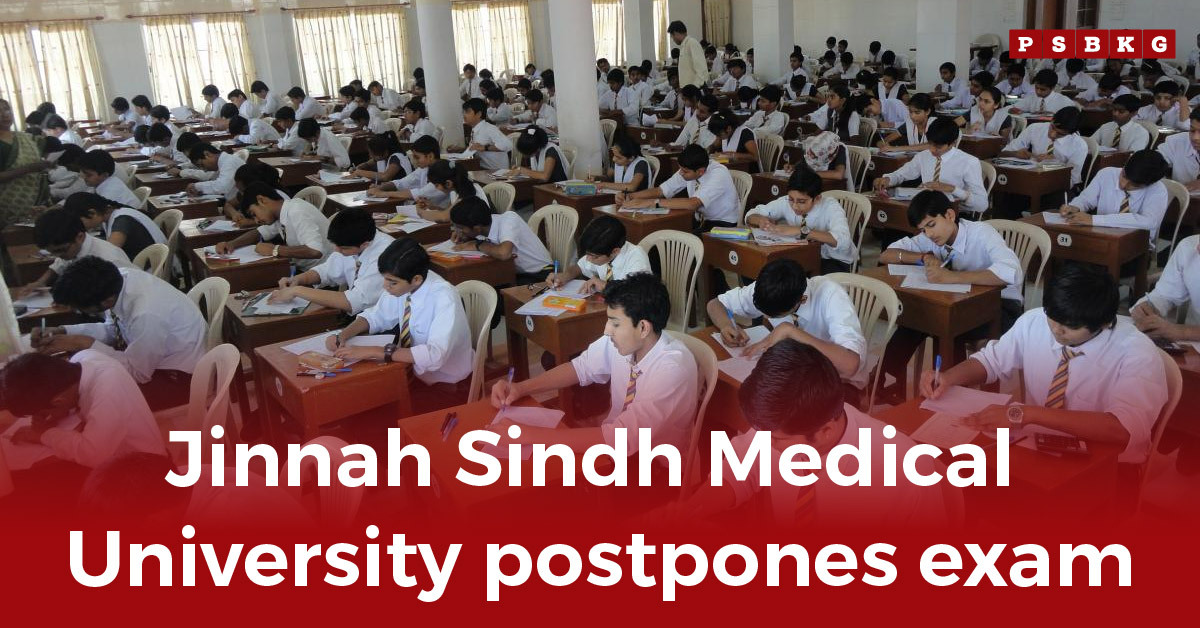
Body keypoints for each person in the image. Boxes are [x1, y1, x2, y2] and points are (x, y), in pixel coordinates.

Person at [662, 340, 947, 528]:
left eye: (775, 440)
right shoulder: (782, 425)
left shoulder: (904, 475)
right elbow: (739, 471)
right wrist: (692, 510)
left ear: (824, 431)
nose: (764, 443)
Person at [921, 265, 1166, 464]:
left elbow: (1122, 430)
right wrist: (949, 377)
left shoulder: (1136, 352)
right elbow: (991, 360)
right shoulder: (1035, 321)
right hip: (1038, 444)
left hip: (1110, 464)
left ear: (1103, 323)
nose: (1056, 330)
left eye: (1069, 327)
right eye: (1053, 318)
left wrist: (1026, 414)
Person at [490, 273, 699, 457]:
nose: (607, 330)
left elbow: (622, 440)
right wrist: (521, 387)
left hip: (655, 466)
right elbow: (579, 368)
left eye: (615, 323)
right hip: (615, 446)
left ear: (643, 327)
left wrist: (529, 435)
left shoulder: (672, 369)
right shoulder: (627, 343)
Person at [34, 256, 207, 410]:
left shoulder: (146, 314)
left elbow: (138, 374)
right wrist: (65, 331)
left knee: (91, 399)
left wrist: (83, 343)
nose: (80, 312)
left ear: (106, 301)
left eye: (82, 309)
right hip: (155, 363)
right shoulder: (118, 281)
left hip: (181, 380)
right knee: (85, 382)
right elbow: (112, 328)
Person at [325, 237, 473, 412]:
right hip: (408, 373)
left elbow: (434, 355)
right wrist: (343, 335)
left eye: (391, 282)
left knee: (373, 412)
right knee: (352, 400)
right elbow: (376, 316)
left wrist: (376, 351)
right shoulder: (404, 283)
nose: (385, 286)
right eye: (385, 279)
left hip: (443, 385)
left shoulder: (443, 297)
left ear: (416, 279)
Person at [706, 255, 865, 380]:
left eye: (775, 315)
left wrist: (790, 331)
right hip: (792, 371)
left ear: (800, 301)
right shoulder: (769, 286)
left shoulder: (831, 296)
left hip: (835, 379)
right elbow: (715, 304)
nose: (767, 317)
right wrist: (726, 325)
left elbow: (850, 365)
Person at [0, 352, 166, 468]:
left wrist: (42, 434)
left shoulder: (107, 391)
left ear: (58, 401)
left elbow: (92, 454)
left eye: (43, 412)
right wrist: (62, 412)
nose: (44, 417)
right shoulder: (83, 360)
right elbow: (76, 401)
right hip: (116, 456)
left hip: (143, 467)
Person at [269, 208, 391, 315]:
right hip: (361, 316)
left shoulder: (384, 256)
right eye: (336, 245)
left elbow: (353, 301)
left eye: (343, 248)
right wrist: (298, 279)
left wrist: (298, 290)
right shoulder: (350, 242)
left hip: (382, 321)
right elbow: (326, 270)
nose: (336, 250)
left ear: (365, 244)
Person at [745, 167, 856, 274]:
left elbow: (843, 241)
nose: (794, 206)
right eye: (791, 199)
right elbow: (751, 214)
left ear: (817, 198)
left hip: (833, 260)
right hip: (803, 255)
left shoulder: (830, 206)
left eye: (801, 202)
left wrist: (801, 231)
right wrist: (760, 220)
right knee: (760, 268)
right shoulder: (786, 201)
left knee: (809, 284)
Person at [874, 117, 989, 215]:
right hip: (925, 211)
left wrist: (953, 189)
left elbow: (982, 204)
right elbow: (902, 174)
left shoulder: (969, 162)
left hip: (955, 214)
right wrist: (888, 179)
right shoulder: (924, 156)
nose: (932, 150)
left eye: (938, 147)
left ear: (953, 143)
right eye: (930, 144)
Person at [1058, 150, 1171, 249]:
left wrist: (1094, 220)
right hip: (1099, 237)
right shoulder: (1107, 174)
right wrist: (1075, 207)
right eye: (1124, 175)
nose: (1123, 184)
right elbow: (1086, 199)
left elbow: (1148, 221)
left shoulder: (1158, 190)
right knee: (1066, 247)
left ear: (1148, 184)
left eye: (1134, 185)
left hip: (1134, 247)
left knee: (1087, 261)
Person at [616, 144, 741, 231]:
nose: (681, 173)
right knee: (661, 233)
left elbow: (693, 203)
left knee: (677, 245)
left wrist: (650, 203)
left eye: (685, 171)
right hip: (700, 220)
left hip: (723, 225)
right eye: (680, 169)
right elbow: (661, 190)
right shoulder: (689, 167)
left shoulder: (718, 174)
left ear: (700, 172)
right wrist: (630, 196)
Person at [15, 207, 134, 297]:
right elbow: (60, 263)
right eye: (53, 253)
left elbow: (117, 298)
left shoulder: (108, 259)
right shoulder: (73, 248)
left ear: (80, 237)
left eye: (61, 250)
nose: (59, 256)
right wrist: (40, 282)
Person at [215, 182, 331, 271]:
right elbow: (258, 233)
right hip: (306, 272)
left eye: (254, 214)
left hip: (326, 278)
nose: (256, 220)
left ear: (261, 200)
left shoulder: (296, 211)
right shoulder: (278, 215)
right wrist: (232, 244)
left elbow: (315, 251)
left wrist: (275, 250)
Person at [449, 196, 552, 282]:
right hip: (515, 273)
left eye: (460, 228)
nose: (458, 231)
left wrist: (478, 245)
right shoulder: (482, 227)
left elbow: (504, 253)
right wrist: (466, 236)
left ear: (477, 228)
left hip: (541, 275)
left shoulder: (508, 220)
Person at [546, 215, 651, 294]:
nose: (588, 259)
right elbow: (579, 267)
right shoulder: (599, 251)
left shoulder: (637, 258)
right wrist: (564, 276)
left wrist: (606, 286)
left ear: (615, 251)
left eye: (594, 256)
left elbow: (636, 294)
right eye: (587, 254)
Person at [62, 192, 166, 261]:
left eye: (79, 221)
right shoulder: (110, 213)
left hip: (150, 271)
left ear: (92, 213)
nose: (78, 226)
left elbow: (108, 254)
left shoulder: (121, 221)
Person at [1001, 107, 1089, 188]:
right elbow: (1004, 152)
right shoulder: (1035, 128)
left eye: (1060, 134)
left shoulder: (1079, 146)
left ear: (1071, 133)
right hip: (1029, 177)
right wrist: (1015, 154)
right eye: (1052, 127)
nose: (1052, 134)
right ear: (1052, 119)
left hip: (1055, 187)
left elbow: (1072, 180)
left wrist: (1055, 165)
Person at [366, 135, 443, 202]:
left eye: (417, 157)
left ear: (430, 156)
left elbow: (420, 193)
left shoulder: (441, 173)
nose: (415, 161)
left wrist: (382, 193)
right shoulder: (424, 169)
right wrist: (381, 187)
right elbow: (402, 183)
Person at [461, 98, 513, 171]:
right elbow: (475, 148)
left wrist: (485, 148)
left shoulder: (489, 128)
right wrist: (459, 149)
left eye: (467, 112)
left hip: (497, 172)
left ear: (478, 114)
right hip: (483, 169)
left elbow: (508, 145)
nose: (464, 115)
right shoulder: (475, 129)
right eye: (464, 112)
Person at [1157, 108, 1200, 190]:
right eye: (1192, 130)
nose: (1195, 138)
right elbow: (1155, 162)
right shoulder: (1177, 141)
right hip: (1180, 199)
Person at [1010, 69, 1076, 114]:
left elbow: (1072, 118)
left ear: (1052, 88)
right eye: (1036, 88)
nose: (1038, 92)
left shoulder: (1064, 102)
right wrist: (1014, 110)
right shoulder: (1032, 98)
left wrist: (1053, 115)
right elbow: (1013, 107)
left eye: (1042, 89)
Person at [669, 21, 709, 89]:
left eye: (672, 37)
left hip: (694, 91)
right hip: (687, 91)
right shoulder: (683, 46)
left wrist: (694, 88)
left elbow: (702, 70)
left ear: (675, 33)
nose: (673, 39)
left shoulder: (692, 43)